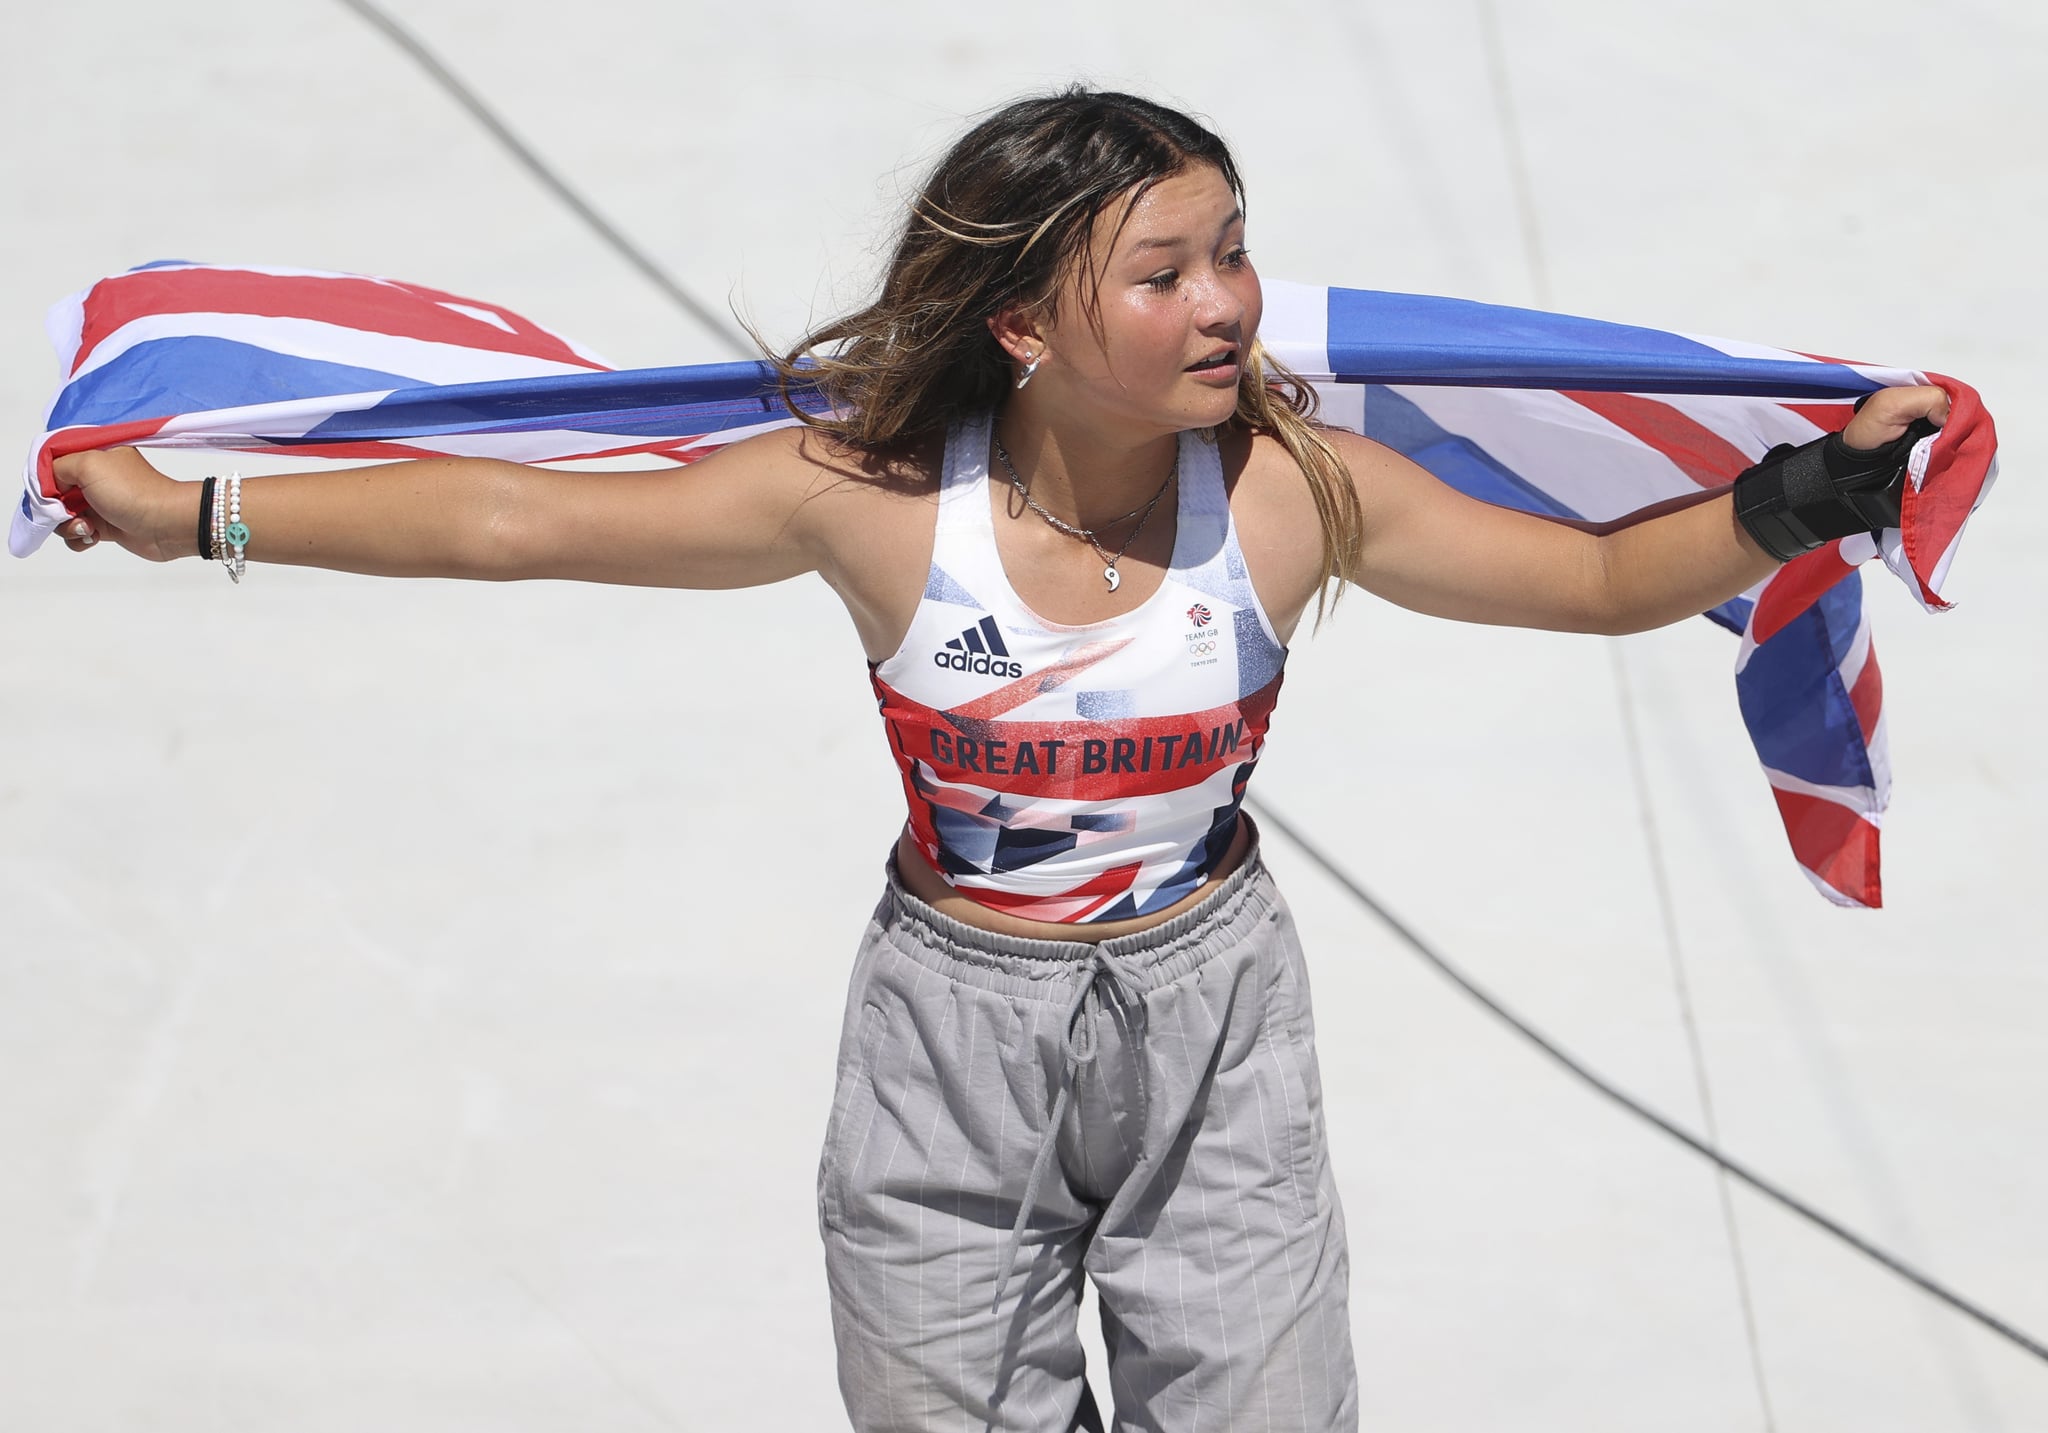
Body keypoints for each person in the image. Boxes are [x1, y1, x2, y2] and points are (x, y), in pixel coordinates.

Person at [49, 88, 1945, 1432]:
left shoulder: (1292, 495)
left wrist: (1805, 498)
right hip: (950, 1052)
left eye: (1237, 253)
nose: (1227, 303)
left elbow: (1603, 578)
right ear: (1026, 324)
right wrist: (196, 512)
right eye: (1165, 272)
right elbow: (510, 521)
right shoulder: (866, 503)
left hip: (1215, 1038)